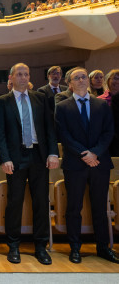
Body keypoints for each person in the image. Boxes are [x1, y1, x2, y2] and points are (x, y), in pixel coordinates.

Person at [0, 63, 59, 265]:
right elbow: (0, 134)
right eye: (19, 74)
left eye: (26, 74)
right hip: (15, 157)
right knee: (15, 202)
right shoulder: (2, 101)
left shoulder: (40, 98)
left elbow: (50, 128)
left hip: (39, 156)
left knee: (41, 201)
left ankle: (40, 246)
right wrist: (4, 158)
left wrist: (53, 153)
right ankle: (13, 245)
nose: (23, 77)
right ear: (11, 78)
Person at [55, 67, 119, 264]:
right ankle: (75, 247)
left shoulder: (101, 105)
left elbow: (109, 132)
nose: (82, 80)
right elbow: (63, 134)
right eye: (77, 77)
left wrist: (95, 153)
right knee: (74, 207)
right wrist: (85, 154)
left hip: (99, 162)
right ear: (69, 83)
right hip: (75, 163)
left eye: (84, 77)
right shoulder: (63, 106)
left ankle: (103, 247)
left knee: (100, 207)